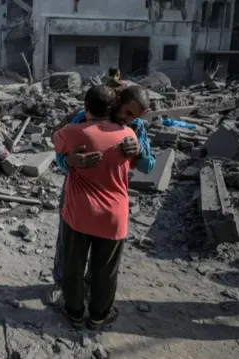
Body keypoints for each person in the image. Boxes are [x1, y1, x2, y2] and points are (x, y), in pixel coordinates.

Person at [46, 85, 154, 305]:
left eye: (136, 116)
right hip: (77, 194)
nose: (129, 120)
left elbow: (149, 166)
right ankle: (62, 285)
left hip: (111, 196)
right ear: (117, 103)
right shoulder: (82, 117)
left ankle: (89, 289)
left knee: (103, 253)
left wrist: (140, 152)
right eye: (127, 112)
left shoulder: (136, 128)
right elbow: (60, 153)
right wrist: (69, 162)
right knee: (68, 246)